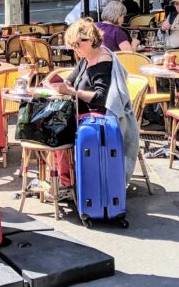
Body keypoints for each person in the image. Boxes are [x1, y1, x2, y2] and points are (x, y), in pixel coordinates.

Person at [46, 18, 140, 183]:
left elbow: (100, 98)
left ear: (90, 39)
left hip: (99, 118)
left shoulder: (103, 62)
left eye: (77, 45)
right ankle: (60, 178)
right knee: (47, 124)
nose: (75, 50)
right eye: (72, 46)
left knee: (55, 129)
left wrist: (71, 91)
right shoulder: (87, 57)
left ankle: (66, 181)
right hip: (83, 113)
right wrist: (57, 84)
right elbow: (71, 79)